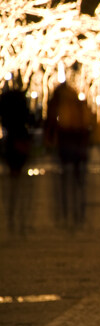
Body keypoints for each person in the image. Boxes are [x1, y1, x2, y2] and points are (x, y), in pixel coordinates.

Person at [45, 80, 92, 230]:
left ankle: (64, 213)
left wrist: (49, 140)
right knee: (79, 182)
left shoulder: (57, 102)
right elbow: (88, 122)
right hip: (80, 144)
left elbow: (50, 123)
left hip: (64, 143)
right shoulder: (78, 102)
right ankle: (80, 213)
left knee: (64, 180)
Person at [0, 78, 34, 235]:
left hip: (11, 142)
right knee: (22, 182)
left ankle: (12, 213)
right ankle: (21, 215)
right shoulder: (21, 106)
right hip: (21, 141)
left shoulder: (6, 106)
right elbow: (30, 120)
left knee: (13, 180)